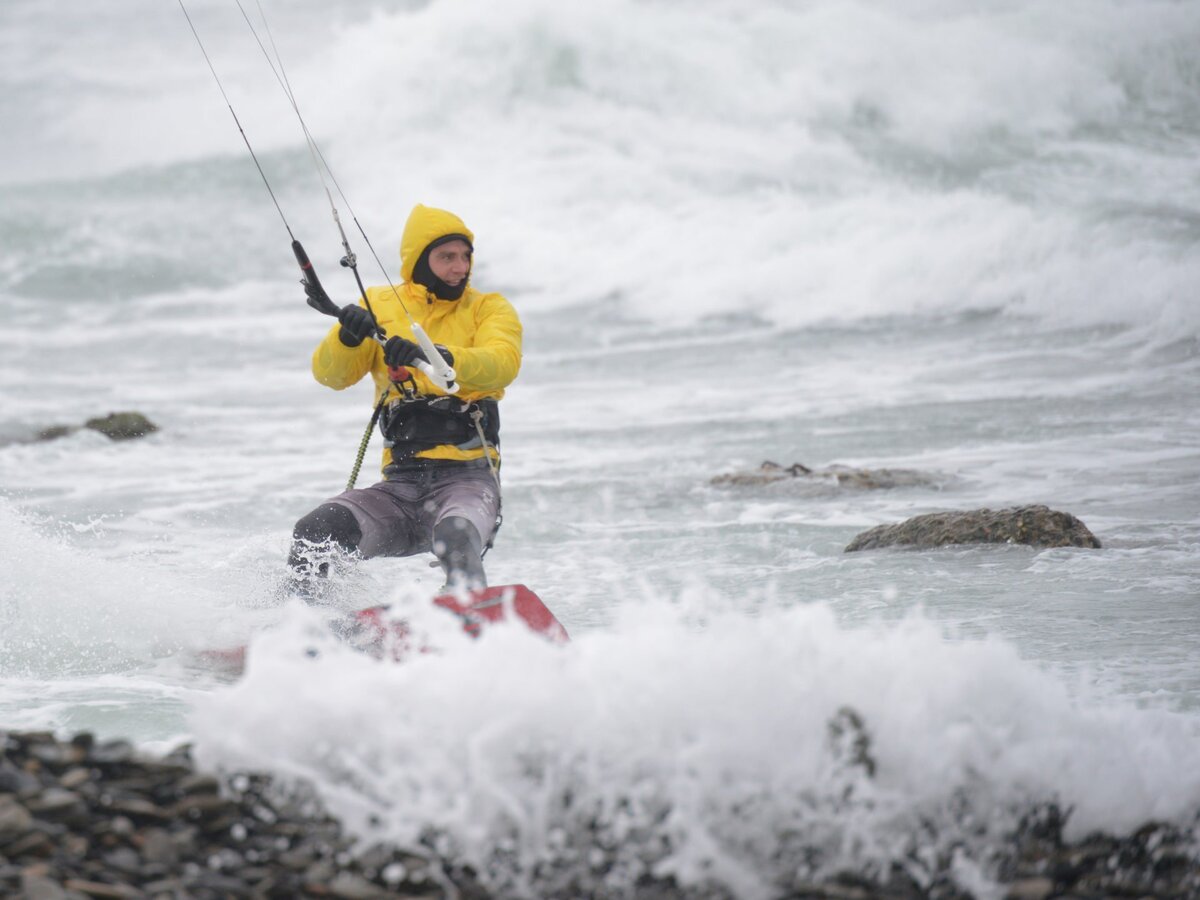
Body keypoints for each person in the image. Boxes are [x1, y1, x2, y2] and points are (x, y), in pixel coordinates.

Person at [285, 204, 522, 597]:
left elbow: (503, 364)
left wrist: (439, 356)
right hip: (399, 489)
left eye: (465, 256)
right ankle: (296, 626)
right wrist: (347, 338)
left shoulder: (489, 308)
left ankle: (473, 631)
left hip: (467, 484)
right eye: (447, 257)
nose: (460, 267)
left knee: (456, 538)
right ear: (420, 262)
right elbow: (331, 376)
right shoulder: (379, 305)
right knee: (314, 532)